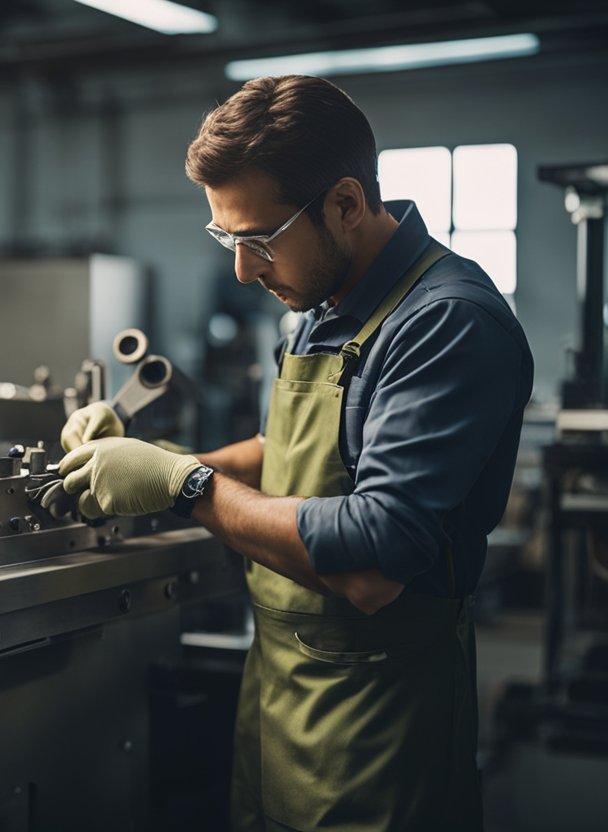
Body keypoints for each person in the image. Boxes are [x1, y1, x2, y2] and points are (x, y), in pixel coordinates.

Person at [48, 75, 533, 831]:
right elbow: (296, 452)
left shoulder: (447, 323)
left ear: (345, 204)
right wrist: (144, 459)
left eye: (259, 240)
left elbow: (375, 561)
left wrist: (186, 483)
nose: (244, 270)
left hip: (379, 719)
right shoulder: (321, 297)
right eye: (228, 240)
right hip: (278, 695)